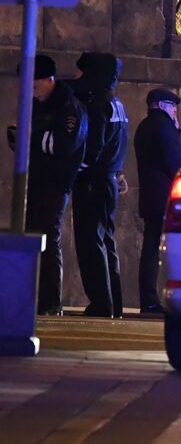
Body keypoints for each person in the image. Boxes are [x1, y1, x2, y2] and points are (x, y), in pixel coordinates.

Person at [5, 55, 87, 315]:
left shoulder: (68, 107)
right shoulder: (37, 105)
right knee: (29, 237)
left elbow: (63, 145)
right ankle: (33, 301)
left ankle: (51, 304)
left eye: (35, 82)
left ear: (49, 80)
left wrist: (30, 137)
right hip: (36, 180)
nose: (30, 87)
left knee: (48, 240)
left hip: (54, 183)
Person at [69, 52, 129, 318]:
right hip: (109, 179)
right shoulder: (116, 103)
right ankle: (113, 302)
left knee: (91, 242)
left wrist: (77, 170)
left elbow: (93, 146)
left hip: (93, 180)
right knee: (106, 241)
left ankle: (101, 303)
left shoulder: (96, 105)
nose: (76, 78)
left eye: (81, 72)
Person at [134, 88, 181, 314]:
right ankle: (156, 299)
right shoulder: (165, 128)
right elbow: (176, 163)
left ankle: (148, 298)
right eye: (173, 108)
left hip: (149, 196)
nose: (175, 112)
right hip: (165, 198)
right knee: (162, 249)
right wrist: (177, 132)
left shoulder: (144, 126)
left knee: (150, 248)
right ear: (163, 105)